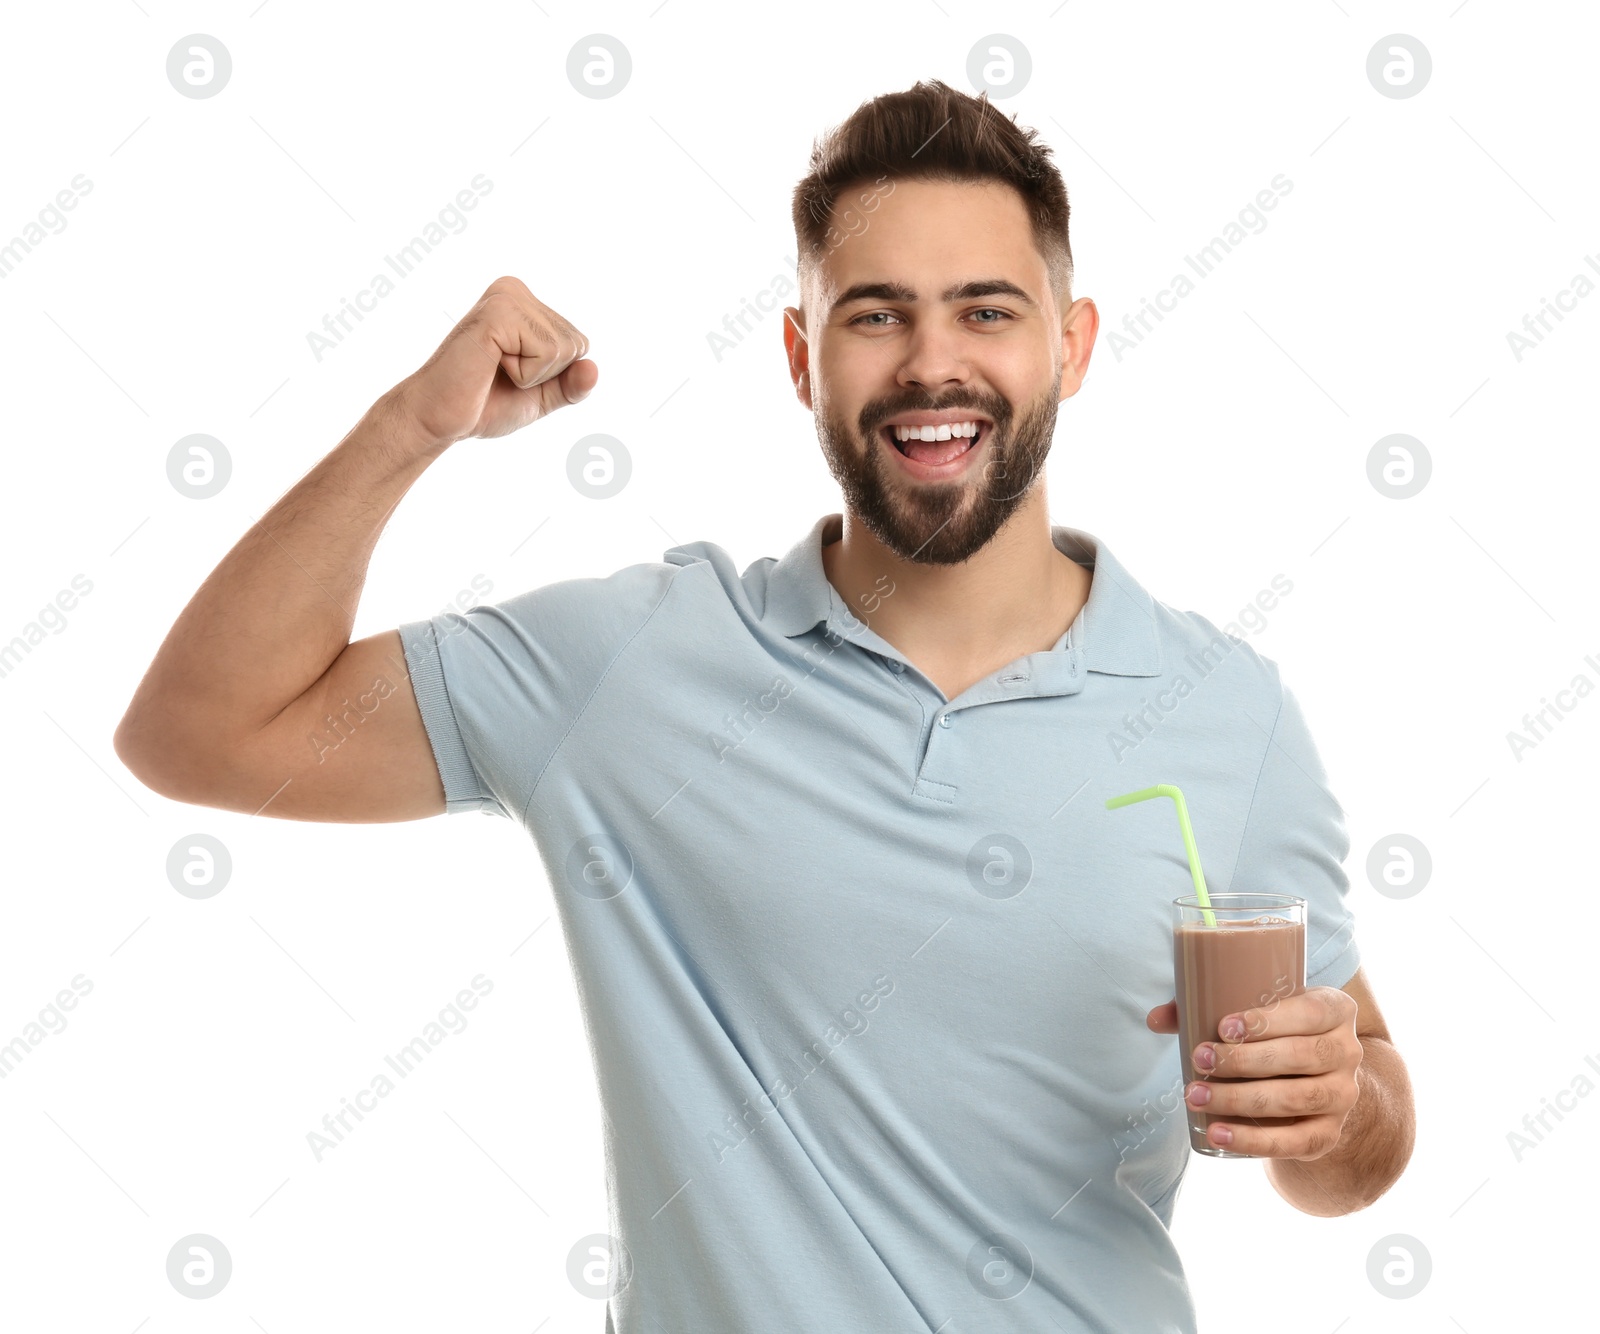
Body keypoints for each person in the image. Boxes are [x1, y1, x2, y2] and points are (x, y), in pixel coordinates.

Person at [115, 80, 1414, 1333]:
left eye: (986, 310)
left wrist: (1341, 1104)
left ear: (1068, 346)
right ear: (803, 357)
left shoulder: (1223, 713)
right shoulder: (632, 668)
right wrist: (414, 422)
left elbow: (1358, 1149)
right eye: (874, 316)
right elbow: (197, 730)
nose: (931, 363)